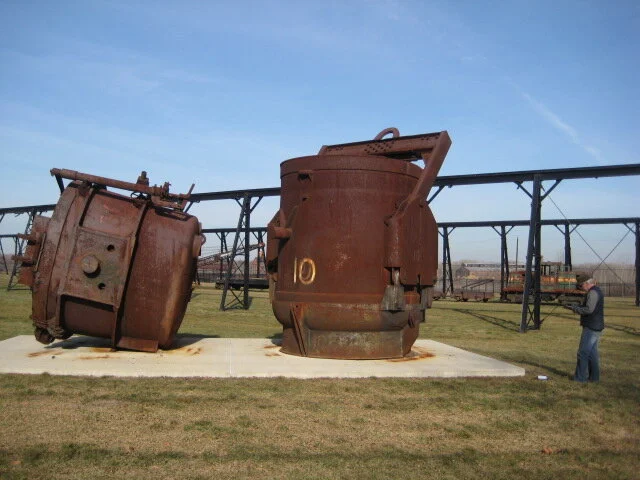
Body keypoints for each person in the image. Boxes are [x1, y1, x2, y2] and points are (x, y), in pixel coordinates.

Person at [565, 273, 605, 382]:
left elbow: (588, 310)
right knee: (592, 354)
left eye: (581, 285)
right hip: (596, 326)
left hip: (591, 327)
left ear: (587, 283)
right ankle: (594, 378)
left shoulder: (592, 293)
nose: (581, 288)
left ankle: (580, 378)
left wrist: (575, 309)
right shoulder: (597, 291)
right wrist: (575, 307)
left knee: (583, 352)